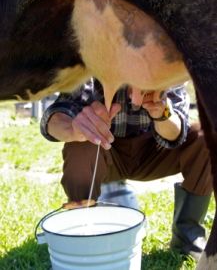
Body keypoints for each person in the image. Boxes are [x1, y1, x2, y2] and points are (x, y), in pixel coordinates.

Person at [40, 79, 212, 261]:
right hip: (106, 151)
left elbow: (177, 132)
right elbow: (55, 115)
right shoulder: (91, 70)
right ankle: (83, 232)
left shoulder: (166, 70)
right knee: (80, 146)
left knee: (206, 136)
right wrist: (73, 129)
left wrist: (162, 114)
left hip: (155, 152)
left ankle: (187, 235)